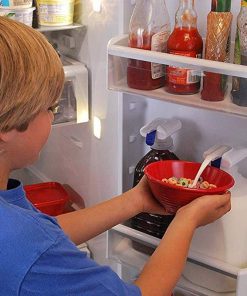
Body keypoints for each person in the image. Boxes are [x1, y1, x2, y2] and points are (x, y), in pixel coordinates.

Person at [0, 16, 231, 296]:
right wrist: (186, 220)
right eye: (51, 107)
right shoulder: (25, 246)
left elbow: (43, 236)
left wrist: (135, 200)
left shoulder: (17, 231)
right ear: (9, 126)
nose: (53, 116)